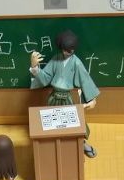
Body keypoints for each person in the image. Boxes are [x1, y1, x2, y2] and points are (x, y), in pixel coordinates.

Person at [29, 29, 100, 158]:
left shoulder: (76, 63)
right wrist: (35, 67)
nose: (68, 52)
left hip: (67, 99)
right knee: (50, 124)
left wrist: (92, 99)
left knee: (73, 125)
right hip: (53, 98)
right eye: (65, 50)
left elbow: (85, 79)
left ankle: (81, 144)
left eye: (71, 50)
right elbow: (45, 78)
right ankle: (51, 148)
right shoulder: (56, 59)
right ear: (61, 48)